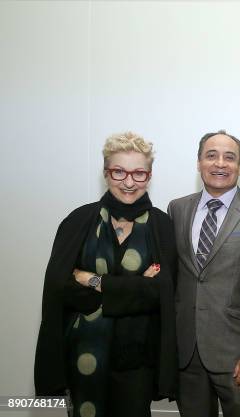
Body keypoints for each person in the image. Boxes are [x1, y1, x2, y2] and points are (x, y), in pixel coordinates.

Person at [34, 132, 178, 417]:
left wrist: (92, 279)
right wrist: (136, 288)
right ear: (105, 172)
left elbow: (161, 293)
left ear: (149, 175)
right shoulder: (79, 220)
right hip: (83, 355)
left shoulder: (162, 226)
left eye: (138, 173)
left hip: (137, 360)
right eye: (119, 171)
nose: (128, 182)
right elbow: (61, 289)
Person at [168, 130, 240, 417]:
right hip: (187, 354)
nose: (220, 163)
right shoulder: (177, 209)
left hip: (238, 357)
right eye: (211, 155)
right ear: (199, 163)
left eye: (229, 157)